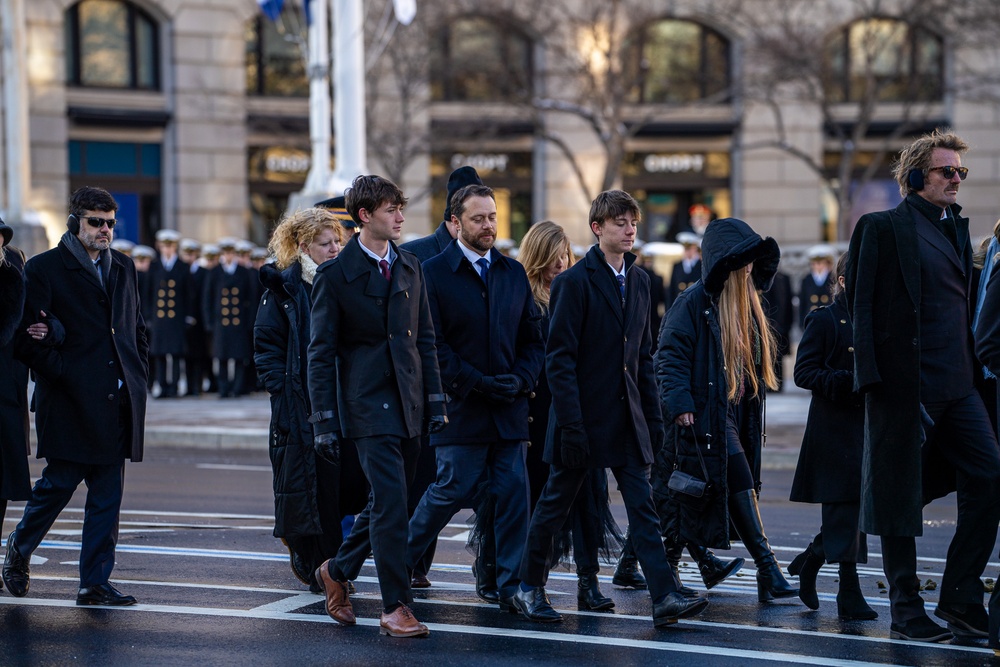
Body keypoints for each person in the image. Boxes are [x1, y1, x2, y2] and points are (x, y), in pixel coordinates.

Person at [512, 190, 707, 628]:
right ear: (597, 229)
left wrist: (654, 421)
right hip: (580, 421)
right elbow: (558, 361)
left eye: (632, 221)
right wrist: (573, 425)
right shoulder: (572, 282)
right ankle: (527, 587)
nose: (629, 229)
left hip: (627, 421)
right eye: (619, 222)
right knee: (553, 505)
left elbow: (642, 358)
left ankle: (664, 597)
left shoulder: (641, 281)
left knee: (643, 507)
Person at [847, 129, 1000, 642]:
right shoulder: (882, 227)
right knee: (898, 501)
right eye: (945, 171)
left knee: (990, 477)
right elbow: (860, 308)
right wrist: (872, 383)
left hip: (961, 387)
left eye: (960, 171)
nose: (956, 179)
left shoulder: (957, 229)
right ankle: (907, 610)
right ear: (915, 177)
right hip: (903, 389)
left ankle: (959, 596)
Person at [308, 175, 447, 638]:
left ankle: (337, 570)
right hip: (366, 406)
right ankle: (395, 606)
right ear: (364, 216)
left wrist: (434, 402)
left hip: (408, 403)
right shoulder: (334, 274)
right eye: (391, 210)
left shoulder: (410, 266)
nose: (401, 217)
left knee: (391, 503)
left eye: (400, 209)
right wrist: (324, 420)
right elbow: (320, 353)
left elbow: (424, 340)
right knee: (390, 503)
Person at [5, 186, 148, 605]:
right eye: (95, 222)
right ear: (75, 223)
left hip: (117, 399)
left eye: (109, 222)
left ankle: (94, 582)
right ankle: (19, 546)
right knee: (58, 485)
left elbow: (134, 325)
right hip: (68, 399)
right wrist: (64, 373)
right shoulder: (45, 269)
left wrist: (138, 372)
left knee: (107, 496)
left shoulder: (123, 265)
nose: (105, 230)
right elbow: (25, 340)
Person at [406, 183, 543, 611]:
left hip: (509, 409)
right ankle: (399, 566)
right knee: (450, 489)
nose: (488, 226)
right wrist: (476, 383)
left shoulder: (512, 271)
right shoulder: (433, 272)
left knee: (513, 496)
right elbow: (432, 344)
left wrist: (520, 379)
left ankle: (512, 589)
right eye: (478, 218)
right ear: (454, 223)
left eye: (492, 217)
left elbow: (532, 340)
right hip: (461, 407)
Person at [654, 216, 799, 607]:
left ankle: (675, 577)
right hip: (702, 416)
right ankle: (768, 571)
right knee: (723, 483)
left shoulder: (745, 303)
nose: (750, 266)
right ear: (727, 262)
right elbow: (668, 357)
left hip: (732, 413)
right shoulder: (693, 303)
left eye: (753, 259)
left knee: (695, 496)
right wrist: (681, 405)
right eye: (744, 259)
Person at [254, 207, 367, 593]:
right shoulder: (286, 288)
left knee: (348, 484)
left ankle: (335, 563)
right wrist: (284, 391)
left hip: (345, 400)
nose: (335, 248)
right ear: (303, 246)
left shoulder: (344, 281)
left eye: (338, 241)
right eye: (326, 243)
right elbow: (266, 346)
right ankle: (324, 566)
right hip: (303, 403)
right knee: (315, 487)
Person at [516, 220, 620, 610]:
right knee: (547, 502)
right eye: (553, 256)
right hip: (540, 410)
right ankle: (532, 582)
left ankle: (588, 583)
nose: (561, 262)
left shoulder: (579, 287)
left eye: (566, 255)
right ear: (538, 258)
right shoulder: (528, 298)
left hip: (581, 407)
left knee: (589, 500)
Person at [398, 165, 483, 591]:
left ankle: (487, 568)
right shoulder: (416, 254)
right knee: (424, 483)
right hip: (425, 387)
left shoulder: (487, 257)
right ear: (454, 215)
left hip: (473, 390)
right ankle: (411, 563)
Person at [788, 253, 876, 620]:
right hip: (834, 431)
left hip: (868, 430)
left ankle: (811, 560)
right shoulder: (824, 320)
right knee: (846, 511)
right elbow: (804, 372)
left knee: (855, 512)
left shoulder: (875, 319)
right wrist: (847, 382)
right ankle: (848, 592)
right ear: (842, 281)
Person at [0, 218, 32, 553]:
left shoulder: (14, 266)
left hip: (5, 391)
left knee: (2, 483)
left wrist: (50, 330)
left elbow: (28, 323)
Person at [203, 238, 256, 398]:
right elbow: (208, 298)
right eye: (225, 253)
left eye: (230, 252)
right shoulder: (214, 272)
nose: (228, 256)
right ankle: (224, 388)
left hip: (239, 321)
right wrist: (209, 321)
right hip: (221, 322)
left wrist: (249, 321)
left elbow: (251, 298)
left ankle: (238, 388)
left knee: (240, 356)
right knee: (222, 356)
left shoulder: (243, 271)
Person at [148, 229, 190, 399]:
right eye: (165, 246)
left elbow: (189, 294)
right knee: (160, 354)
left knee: (176, 353)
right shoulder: (154, 266)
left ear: (175, 247)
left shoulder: (182, 266)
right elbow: (148, 293)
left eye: (171, 246)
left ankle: (174, 386)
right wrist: (147, 315)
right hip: (159, 317)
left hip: (176, 317)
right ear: (159, 247)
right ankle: (162, 386)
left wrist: (189, 315)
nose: (167, 249)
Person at [180, 238, 208, 396]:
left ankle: (197, 386)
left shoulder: (203, 272)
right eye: (186, 254)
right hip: (184, 319)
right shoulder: (182, 270)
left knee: (199, 355)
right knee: (187, 355)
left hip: (199, 320)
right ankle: (189, 387)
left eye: (191, 254)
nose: (188, 257)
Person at [798, 244, 836, 329]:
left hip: (830, 318)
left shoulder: (833, 278)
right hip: (811, 318)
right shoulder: (806, 279)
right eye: (814, 263)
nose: (817, 266)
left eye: (820, 263)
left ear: (828, 263)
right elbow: (802, 302)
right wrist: (801, 323)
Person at [665, 231, 702, 310]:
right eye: (685, 249)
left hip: (696, 305)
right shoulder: (677, 266)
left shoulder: (701, 265)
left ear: (695, 248)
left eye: (690, 248)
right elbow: (672, 289)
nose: (687, 252)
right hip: (680, 306)